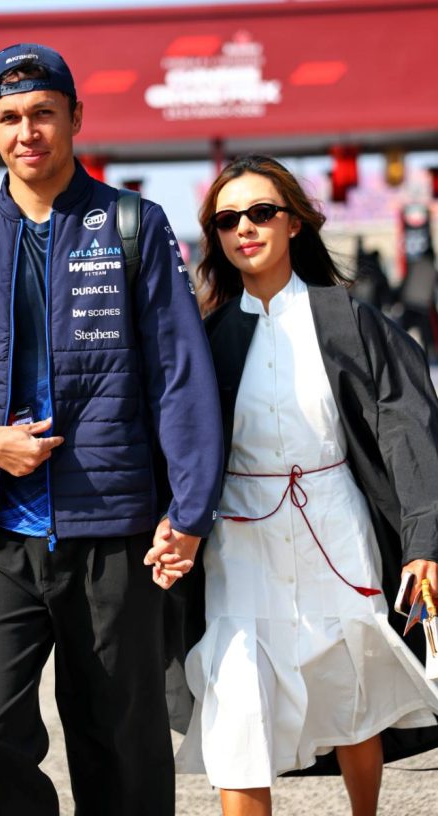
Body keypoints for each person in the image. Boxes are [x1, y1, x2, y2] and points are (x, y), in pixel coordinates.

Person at [0, 43, 223, 816]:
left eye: (43, 112)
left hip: (112, 529)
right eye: (8, 117)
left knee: (122, 735)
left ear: (75, 117)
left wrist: (190, 509)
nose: (27, 131)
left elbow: (180, 374)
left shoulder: (133, 225)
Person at [166, 155, 438, 816]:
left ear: (293, 221)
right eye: (226, 220)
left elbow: (408, 427)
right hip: (239, 542)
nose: (245, 229)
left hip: (336, 528)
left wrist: (421, 539)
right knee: (236, 707)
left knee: (352, 690)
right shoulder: (203, 339)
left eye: (261, 212)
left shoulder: (350, 320)